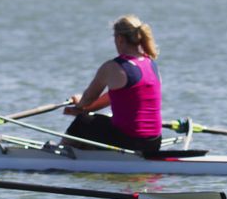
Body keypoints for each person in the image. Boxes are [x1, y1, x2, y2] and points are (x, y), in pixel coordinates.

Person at [63, 15, 163, 155]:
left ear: (120, 39)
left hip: (130, 141)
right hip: (154, 142)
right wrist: (84, 108)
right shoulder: (151, 63)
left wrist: (79, 106)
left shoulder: (113, 67)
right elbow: (114, 97)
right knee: (94, 121)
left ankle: (57, 155)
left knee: (82, 122)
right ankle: (88, 154)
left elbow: (88, 98)